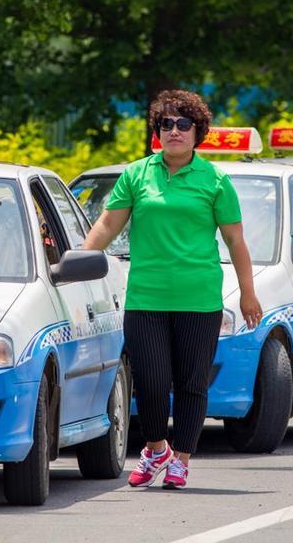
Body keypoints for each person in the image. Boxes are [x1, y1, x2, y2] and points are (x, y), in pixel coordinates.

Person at [83, 89, 262, 490]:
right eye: (167, 124)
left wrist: (248, 292)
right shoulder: (136, 174)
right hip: (147, 296)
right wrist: (78, 260)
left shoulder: (215, 179)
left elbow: (235, 241)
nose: (175, 131)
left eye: (184, 124)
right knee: (149, 380)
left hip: (199, 299)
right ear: (157, 131)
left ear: (198, 132)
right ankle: (155, 447)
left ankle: (180, 459)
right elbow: (109, 225)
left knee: (192, 383)